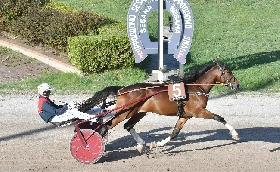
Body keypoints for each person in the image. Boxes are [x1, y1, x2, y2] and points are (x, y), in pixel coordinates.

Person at [37, 83, 103, 126]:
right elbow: (57, 112)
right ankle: (95, 119)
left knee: (77, 109)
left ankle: (99, 110)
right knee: (75, 113)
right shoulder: (43, 102)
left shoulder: (44, 99)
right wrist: (67, 107)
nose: (50, 92)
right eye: (48, 91)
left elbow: (57, 107)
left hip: (56, 116)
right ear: (44, 92)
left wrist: (67, 105)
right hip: (55, 118)